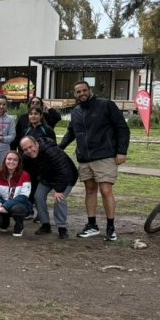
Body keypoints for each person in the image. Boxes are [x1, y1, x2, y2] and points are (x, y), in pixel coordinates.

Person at [59, 80, 130, 241]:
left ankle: (110, 227)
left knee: (106, 190)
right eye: (78, 92)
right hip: (84, 158)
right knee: (90, 190)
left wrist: (122, 152)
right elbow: (71, 132)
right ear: (74, 94)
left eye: (84, 90)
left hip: (104, 155)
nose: (81, 94)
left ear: (89, 90)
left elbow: (122, 128)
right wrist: (59, 147)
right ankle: (92, 225)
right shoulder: (76, 111)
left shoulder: (105, 105)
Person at [20, 136, 78, 239]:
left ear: (36, 143)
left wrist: (59, 189)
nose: (29, 151)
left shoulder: (51, 151)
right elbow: (23, 173)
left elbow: (64, 171)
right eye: (25, 149)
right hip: (47, 177)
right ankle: (45, 224)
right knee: (38, 196)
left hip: (66, 176)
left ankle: (61, 227)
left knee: (60, 198)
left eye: (30, 147)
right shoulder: (26, 157)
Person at [0, 151, 33, 237]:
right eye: (9, 159)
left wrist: (6, 205)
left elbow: (24, 196)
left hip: (17, 204)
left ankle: (19, 226)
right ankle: (5, 222)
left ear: (19, 162)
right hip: (1, 203)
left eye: (15, 160)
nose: (11, 162)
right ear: (5, 160)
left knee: (19, 208)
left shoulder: (25, 175)